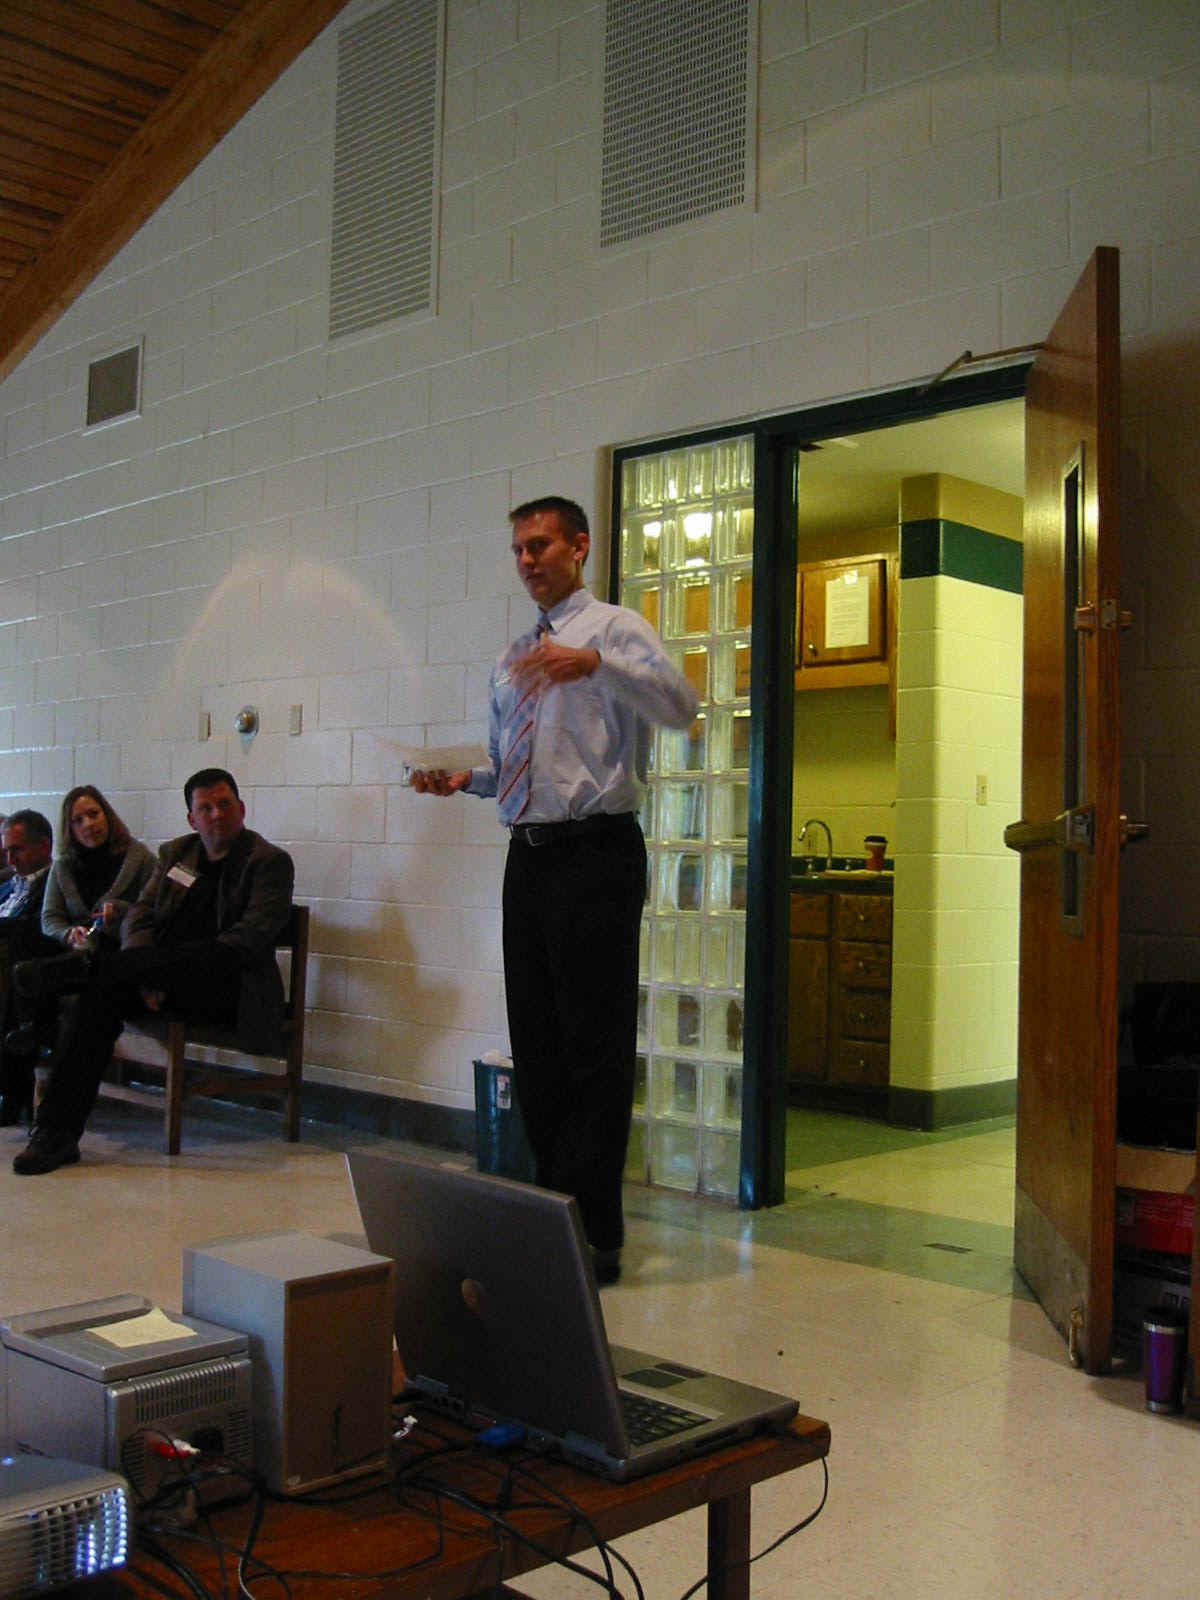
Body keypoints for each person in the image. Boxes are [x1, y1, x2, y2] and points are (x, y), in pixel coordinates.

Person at [414, 496, 698, 1283]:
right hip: (530, 857)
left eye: (539, 545)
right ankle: (552, 1212)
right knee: (536, 1040)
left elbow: (682, 707)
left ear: (579, 546)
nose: (527, 561)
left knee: (592, 1043)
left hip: (596, 854)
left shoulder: (614, 629)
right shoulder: (513, 655)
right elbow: (512, 761)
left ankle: (597, 1231)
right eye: (517, 550)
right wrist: (463, 779)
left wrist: (598, 666)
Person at [10, 768, 294, 1176]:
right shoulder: (176, 854)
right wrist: (145, 972)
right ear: (192, 819)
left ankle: (79, 969)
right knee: (98, 997)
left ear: (242, 809)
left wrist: (150, 970)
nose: (216, 814)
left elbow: (244, 943)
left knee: (106, 974)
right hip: (160, 979)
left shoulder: (268, 863)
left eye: (224, 804)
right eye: (206, 808)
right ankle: (55, 1135)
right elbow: (140, 916)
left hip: (230, 987)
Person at [2, 788, 158, 1112]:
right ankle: (34, 1027)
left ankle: (36, 1027)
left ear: (107, 816)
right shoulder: (65, 866)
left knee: (36, 966)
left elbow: (156, 909)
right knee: (26, 943)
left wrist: (121, 912)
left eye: (94, 814)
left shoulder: (139, 858)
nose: (89, 824)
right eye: (78, 820)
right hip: (78, 944)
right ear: (70, 829)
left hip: (118, 946)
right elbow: (50, 918)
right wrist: (67, 933)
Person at [0, 811, 59, 1124]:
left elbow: (35, 930)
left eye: (17, 850)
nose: (10, 859)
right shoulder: (8, 884)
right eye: (7, 851)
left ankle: (11, 1091)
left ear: (44, 846)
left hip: (29, 965)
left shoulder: (55, 883)